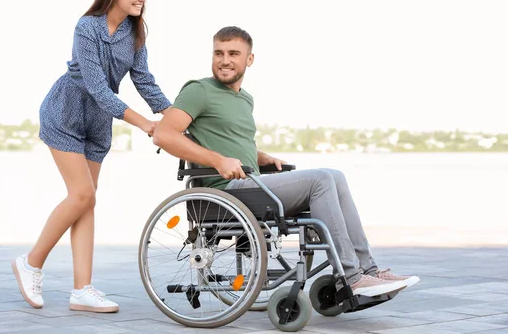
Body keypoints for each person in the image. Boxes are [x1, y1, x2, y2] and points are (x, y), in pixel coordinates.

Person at [152, 26, 420, 298]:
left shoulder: (245, 99)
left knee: (335, 175)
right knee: (321, 179)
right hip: (225, 192)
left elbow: (225, 139)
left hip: (251, 184)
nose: (225, 60)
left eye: (234, 53)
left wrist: (260, 157)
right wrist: (218, 160)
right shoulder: (200, 90)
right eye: (218, 53)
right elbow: (164, 134)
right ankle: (352, 277)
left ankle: (369, 270)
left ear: (249, 59)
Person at [12, 0, 172, 313]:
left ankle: (81, 290)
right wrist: (144, 124)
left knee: (87, 200)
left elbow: (145, 81)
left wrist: (174, 116)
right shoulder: (87, 27)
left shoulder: (136, 33)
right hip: (65, 111)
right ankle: (30, 262)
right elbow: (98, 88)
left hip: (99, 123)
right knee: (81, 194)